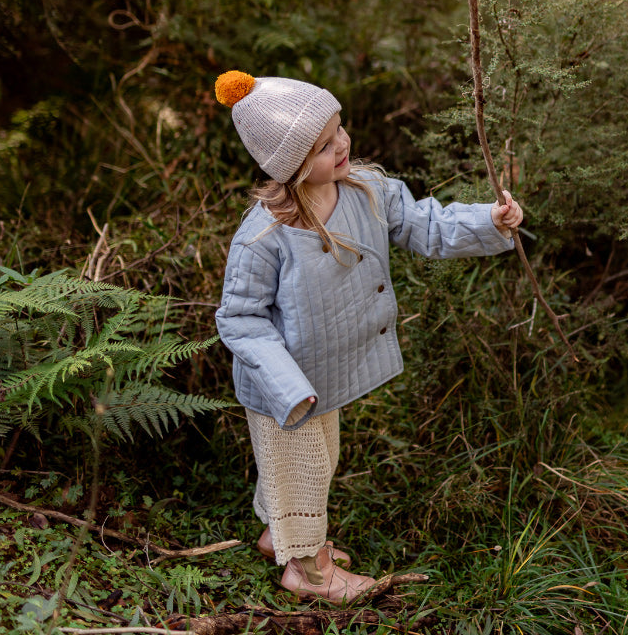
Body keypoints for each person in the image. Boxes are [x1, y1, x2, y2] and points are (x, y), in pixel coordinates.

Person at [214, 71, 523, 604]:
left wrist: (490, 222)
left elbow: (426, 224)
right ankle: (307, 570)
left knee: (310, 460)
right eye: (324, 145)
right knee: (305, 467)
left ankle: (278, 536)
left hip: (325, 370)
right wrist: (288, 385)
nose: (343, 145)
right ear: (289, 165)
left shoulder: (366, 190)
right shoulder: (264, 236)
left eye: (340, 130)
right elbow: (241, 319)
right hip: (284, 385)